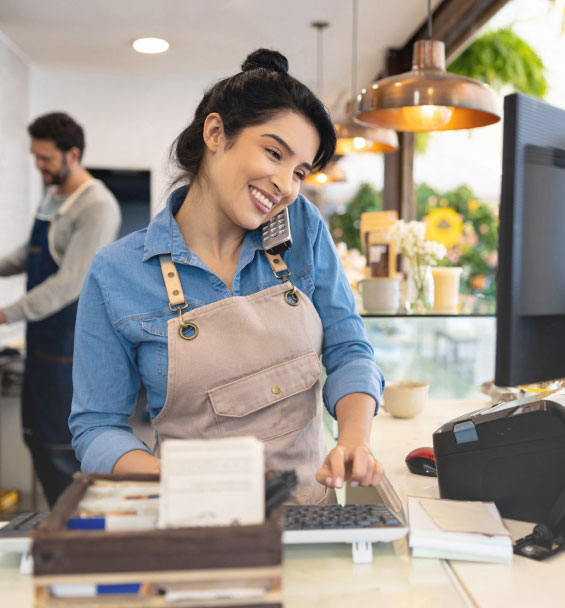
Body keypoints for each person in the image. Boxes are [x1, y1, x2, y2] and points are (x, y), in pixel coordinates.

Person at [69, 49, 385, 504]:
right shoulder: (116, 272)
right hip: (194, 519)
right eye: (273, 153)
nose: (286, 185)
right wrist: (176, 481)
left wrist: (354, 439)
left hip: (306, 520)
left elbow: (349, 349)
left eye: (299, 171)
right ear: (216, 133)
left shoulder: (302, 228)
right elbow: (97, 427)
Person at [0, 112, 121, 506]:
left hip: (69, 345)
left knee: (60, 451)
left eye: (45, 158)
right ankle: (59, 527)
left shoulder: (97, 205)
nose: (39, 166)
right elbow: (30, 254)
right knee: (35, 438)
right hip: (41, 341)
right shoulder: (54, 195)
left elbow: (69, 283)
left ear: (72, 154)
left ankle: (82, 538)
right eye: (35, 157)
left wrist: (5, 313)